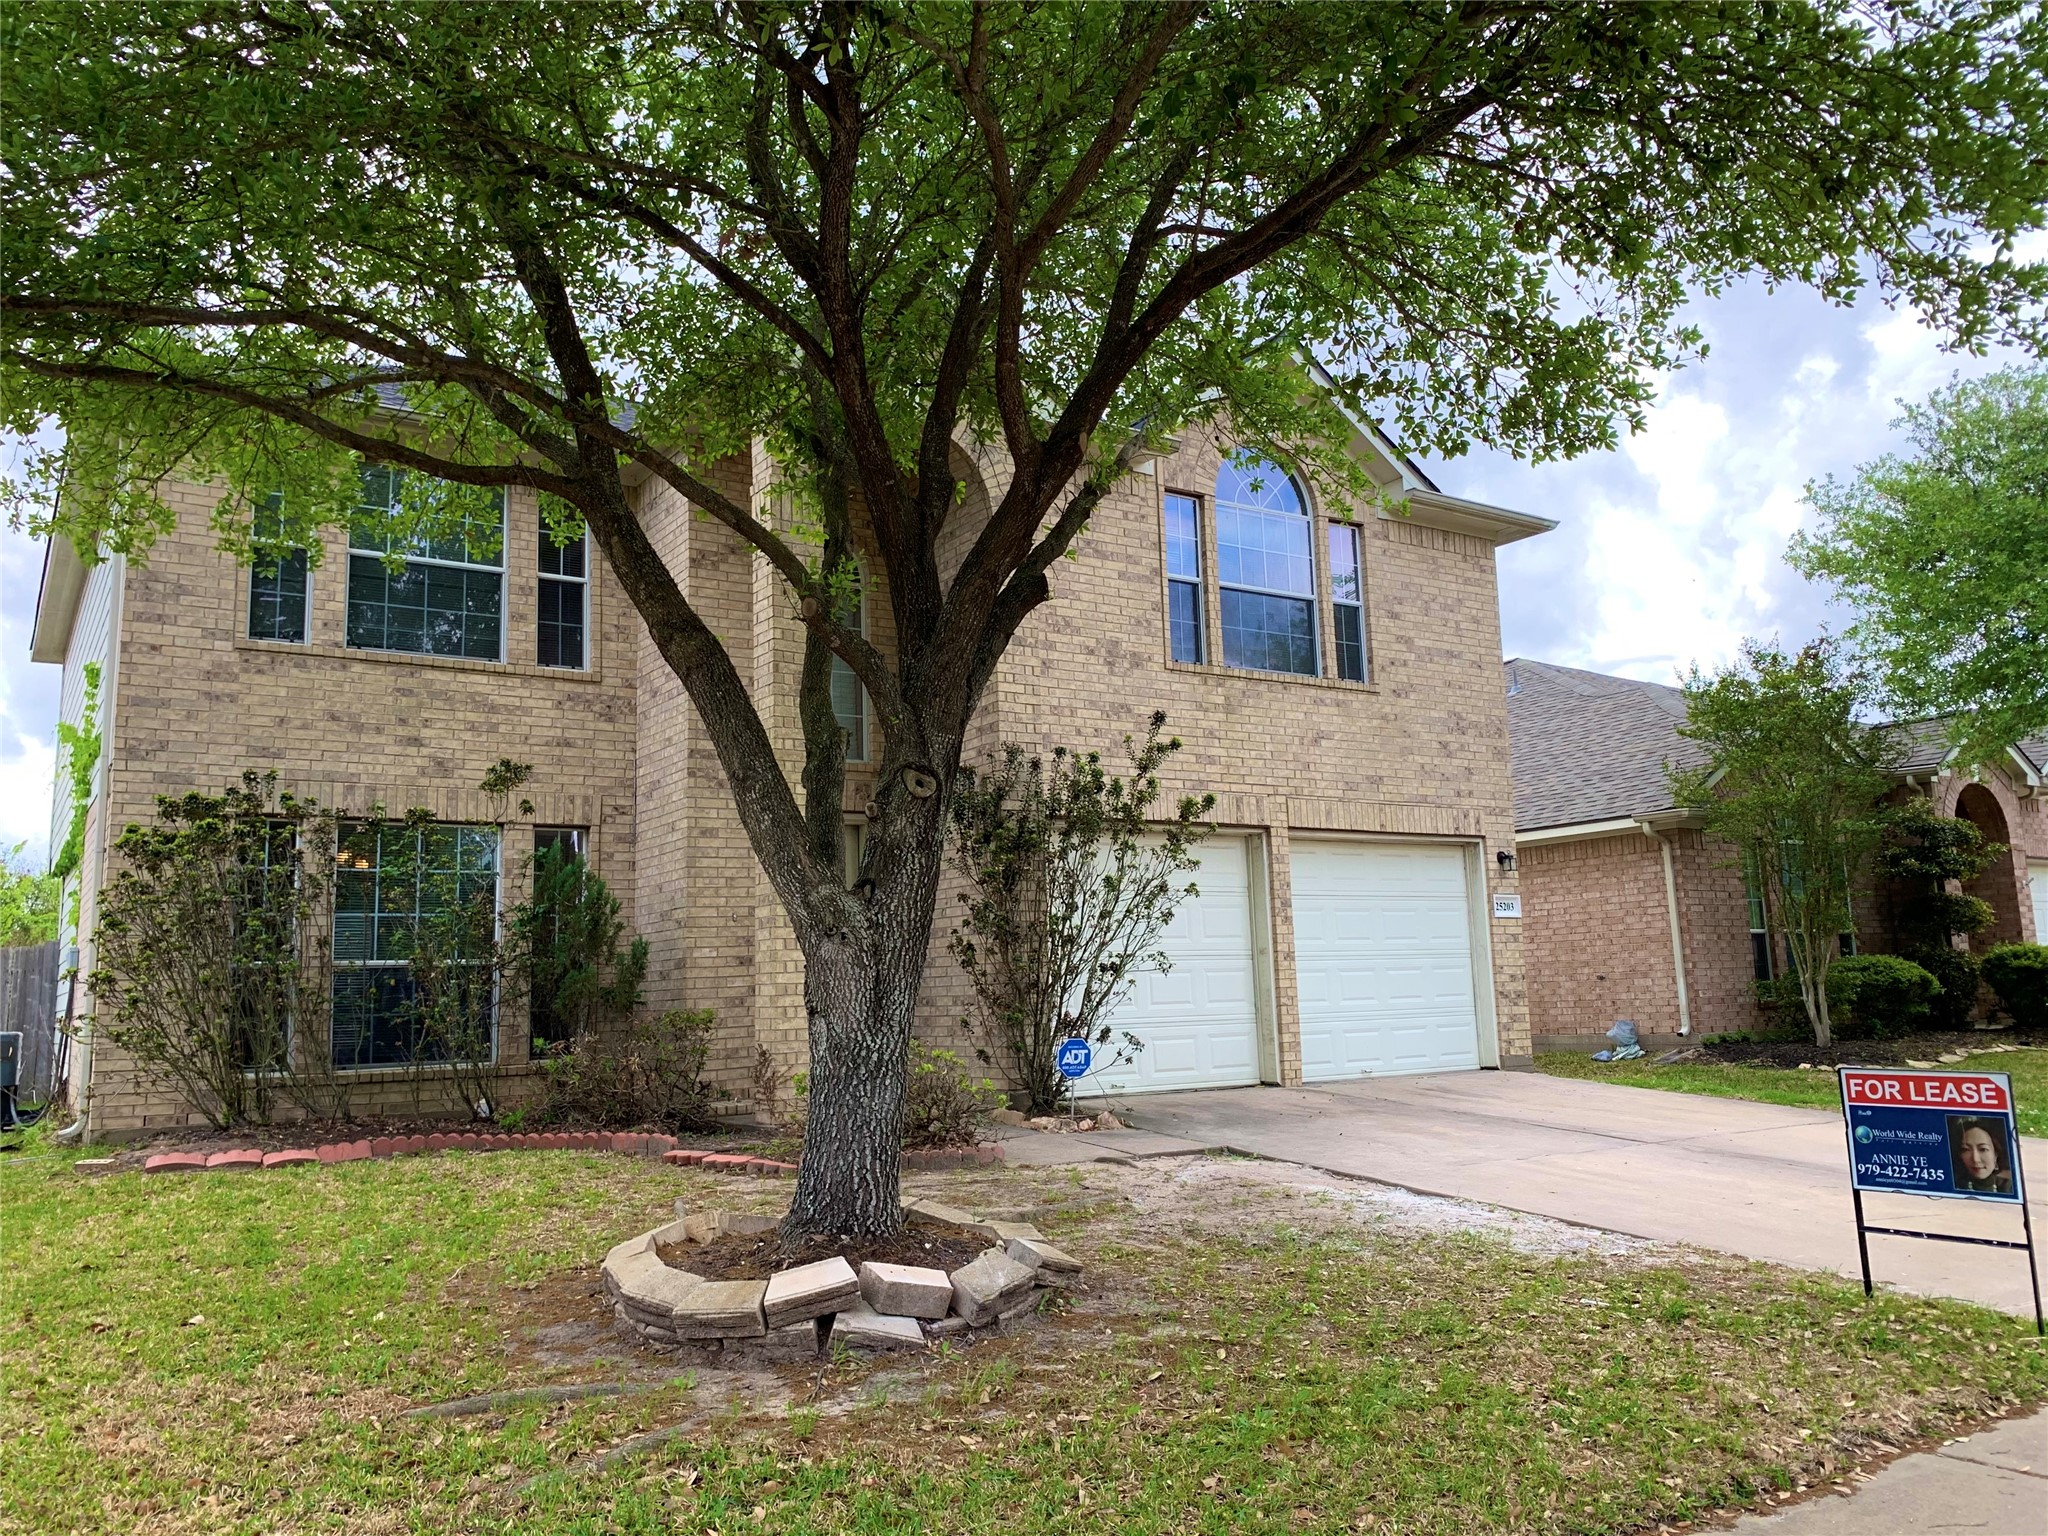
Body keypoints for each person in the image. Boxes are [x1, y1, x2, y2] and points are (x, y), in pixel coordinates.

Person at [1948, 1116, 2014, 1195]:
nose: (1975, 1159)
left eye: (1983, 1149)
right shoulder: (1953, 1186)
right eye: (1966, 1149)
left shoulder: (2009, 1187)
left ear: (1996, 1154)